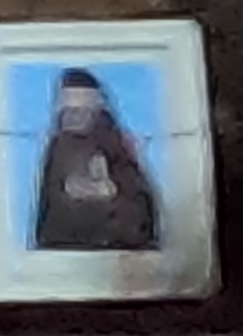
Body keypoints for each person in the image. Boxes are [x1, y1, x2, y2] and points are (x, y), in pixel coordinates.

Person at [27, 67, 165, 259]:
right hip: (66, 256)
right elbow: (50, 207)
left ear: (95, 110)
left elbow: (137, 205)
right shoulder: (58, 148)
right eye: (69, 111)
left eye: (80, 111)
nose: (73, 117)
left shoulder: (114, 145)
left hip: (117, 255)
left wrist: (104, 191)